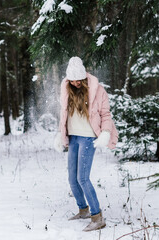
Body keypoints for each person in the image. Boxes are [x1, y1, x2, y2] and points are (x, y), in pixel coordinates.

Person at [54, 56, 118, 231]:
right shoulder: (66, 90)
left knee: (82, 178)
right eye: (72, 80)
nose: (75, 83)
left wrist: (105, 132)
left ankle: (97, 217)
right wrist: (60, 135)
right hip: (73, 137)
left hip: (88, 137)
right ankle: (83, 210)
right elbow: (64, 116)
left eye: (78, 79)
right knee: (72, 179)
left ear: (84, 77)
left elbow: (105, 114)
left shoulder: (98, 91)